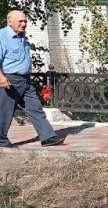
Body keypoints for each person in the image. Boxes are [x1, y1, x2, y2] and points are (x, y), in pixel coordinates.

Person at [0, 10, 62, 148]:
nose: (23, 24)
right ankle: (1, 141)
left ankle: (47, 137)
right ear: (9, 22)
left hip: (25, 80)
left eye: (25, 21)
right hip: (9, 79)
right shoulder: (2, 37)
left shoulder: (22, 37)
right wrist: (1, 78)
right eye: (20, 21)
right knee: (5, 111)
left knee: (35, 107)